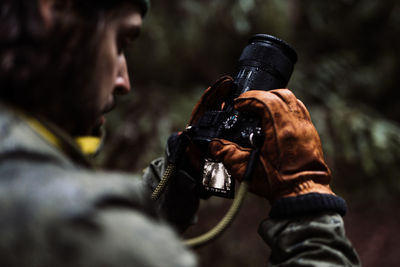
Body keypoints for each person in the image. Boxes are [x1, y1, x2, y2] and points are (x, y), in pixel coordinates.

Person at [0, 0, 360, 266]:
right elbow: (102, 232)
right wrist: (305, 198)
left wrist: (179, 172)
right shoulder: (89, 232)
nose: (124, 81)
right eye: (121, 42)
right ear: (53, 12)